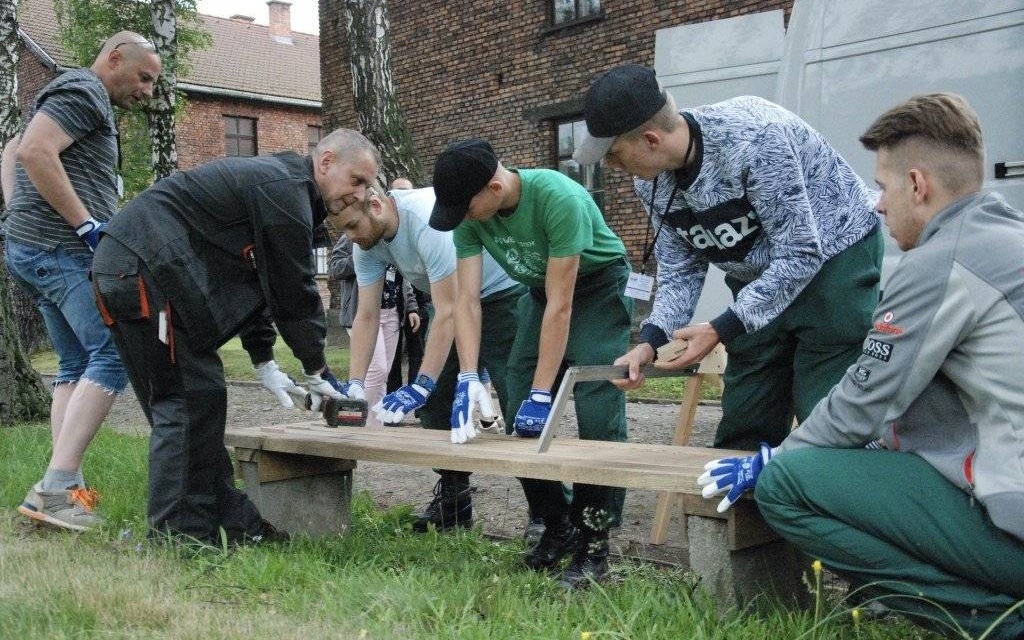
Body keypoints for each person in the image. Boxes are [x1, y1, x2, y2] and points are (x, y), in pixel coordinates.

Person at [699, 94, 1024, 640]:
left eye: (883, 186)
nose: (876, 204)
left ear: (918, 185)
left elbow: (862, 404)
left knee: (788, 485)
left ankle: (992, 622)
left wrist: (774, 458)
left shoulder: (940, 263)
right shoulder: (1008, 238)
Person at [90, 128, 379, 543]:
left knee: (200, 399)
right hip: (144, 268)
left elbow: (253, 283)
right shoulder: (286, 190)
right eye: (357, 179)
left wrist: (264, 362)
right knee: (185, 403)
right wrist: (316, 368)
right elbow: (290, 290)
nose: (360, 193)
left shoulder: (281, 190)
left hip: (139, 268)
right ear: (327, 161)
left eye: (367, 185)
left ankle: (229, 522)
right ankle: (178, 535)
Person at [575, 64, 883, 451]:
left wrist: (721, 327)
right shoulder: (650, 182)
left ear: (651, 139)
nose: (612, 167)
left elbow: (801, 252)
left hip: (834, 259)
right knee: (747, 408)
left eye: (615, 155)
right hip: (759, 273)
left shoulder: (755, 140)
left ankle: (844, 500)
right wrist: (651, 341)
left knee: (826, 409)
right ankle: (748, 505)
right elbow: (680, 269)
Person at [430, 138, 633, 589]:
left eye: (466, 208)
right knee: (520, 404)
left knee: (596, 402)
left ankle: (594, 542)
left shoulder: (556, 197)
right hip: (541, 294)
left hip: (595, 288)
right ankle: (557, 524)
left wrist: (548, 392)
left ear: (495, 187)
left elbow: (564, 305)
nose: (462, 218)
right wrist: (467, 376)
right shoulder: (470, 215)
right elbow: (466, 300)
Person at [1, 32, 161, 531]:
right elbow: (32, 152)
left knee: (74, 363)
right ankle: (57, 486)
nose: (148, 91)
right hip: (61, 253)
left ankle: (64, 490)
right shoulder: (85, 91)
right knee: (114, 351)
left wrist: (17, 213)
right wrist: (85, 225)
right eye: (144, 78)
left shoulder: (78, 95)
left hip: (38, 250)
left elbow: (11, 148)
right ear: (114, 59)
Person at [332, 184, 523, 531]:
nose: (349, 238)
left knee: (517, 402)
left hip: (502, 295)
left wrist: (420, 382)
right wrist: (356, 384)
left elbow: (451, 310)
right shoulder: (367, 244)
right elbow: (367, 315)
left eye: (352, 227)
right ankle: (454, 499)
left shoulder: (424, 221)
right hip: (451, 301)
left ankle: (548, 514)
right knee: (437, 403)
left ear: (375, 206)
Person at [328, 232, 416, 428]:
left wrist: (411, 307)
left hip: (392, 313)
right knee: (377, 370)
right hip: (362, 314)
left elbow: (404, 277)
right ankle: (352, 415)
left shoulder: (394, 238)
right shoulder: (353, 236)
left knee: (382, 376)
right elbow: (335, 268)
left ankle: (375, 425)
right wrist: (363, 256)